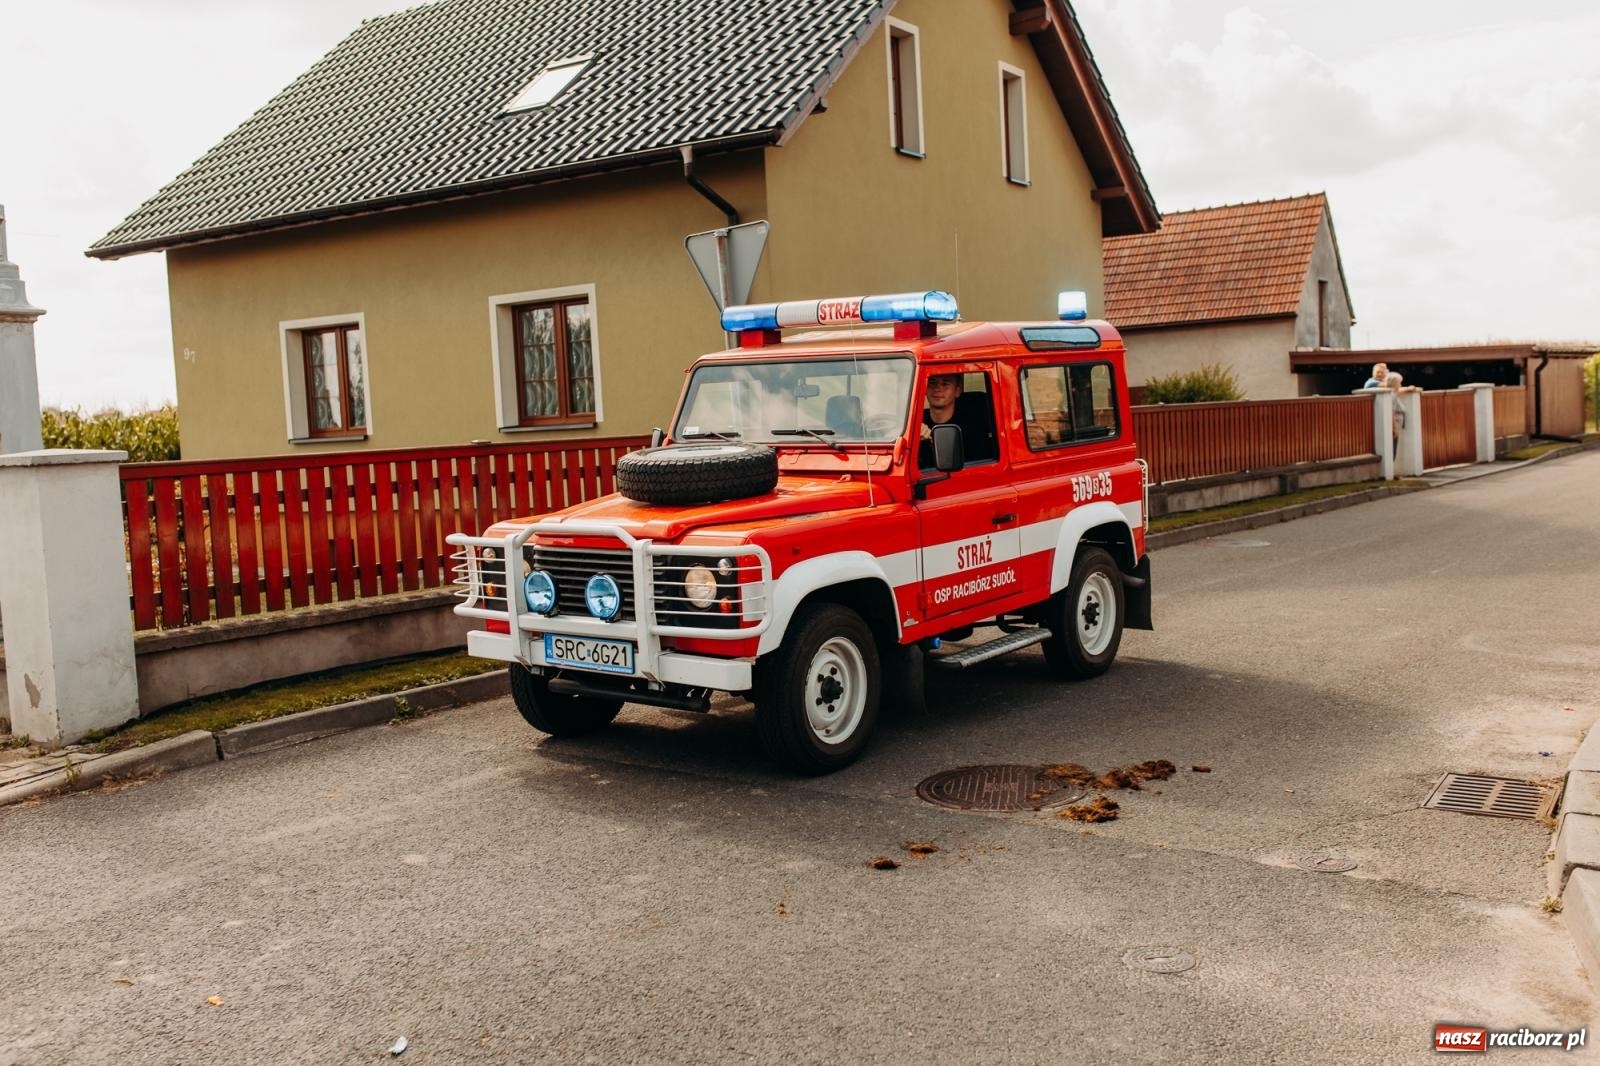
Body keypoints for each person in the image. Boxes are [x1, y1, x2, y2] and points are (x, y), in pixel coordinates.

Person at [919, 373, 996, 467]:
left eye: (945, 383)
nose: (937, 388)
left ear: (957, 391)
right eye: (932, 382)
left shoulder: (974, 422)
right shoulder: (917, 422)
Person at [1384, 370, 1405, 443]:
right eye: (1399, 383)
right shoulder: (1391, 395)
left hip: (1398, 423)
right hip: (1395, 424)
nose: (1400, 385)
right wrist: (1394, 427)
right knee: (1393, 445)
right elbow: (1391, 412)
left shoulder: (1393, 394)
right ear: (1394, 384)